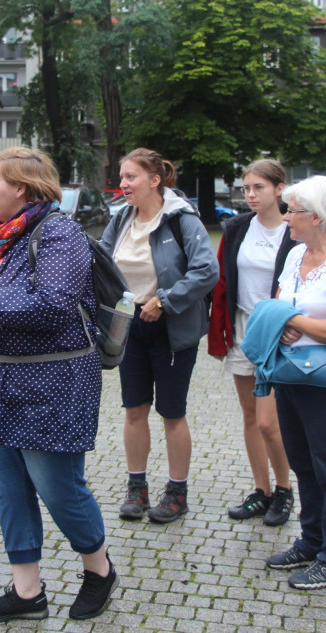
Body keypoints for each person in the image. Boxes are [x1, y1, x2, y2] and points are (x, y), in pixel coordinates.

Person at [0, 147, 117, 623]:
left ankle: (98, 571)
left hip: (49, 386)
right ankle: (27, 592)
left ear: (22, 188)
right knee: (10, 491)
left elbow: (54, 304)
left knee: (60, 490)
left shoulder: (60, 232)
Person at [100, 148, 219, 524]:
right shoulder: (120, 219)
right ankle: (137, 488)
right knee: (134, 409)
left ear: (155, 180)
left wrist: (164, 302)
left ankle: (177, 492)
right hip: (128, 326)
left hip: (171, 327)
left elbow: (206, 270)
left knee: (172, 413)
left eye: (131, 177)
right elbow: (101, 265)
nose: (123, 184)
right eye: (121, 177)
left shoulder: (181, 219)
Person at [263, 175, 326, 590]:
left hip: (324, 380)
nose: (285, 216)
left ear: (318, 217)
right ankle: (311, 541)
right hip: (291, 372)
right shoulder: (294, 255)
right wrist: (281, 322)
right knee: (302, 462)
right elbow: (276, 305)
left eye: (293, 210)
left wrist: (291, 321)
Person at [208, 159, 295, 526]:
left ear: (279, 188)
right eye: (247, 188)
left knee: (269, 423)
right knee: (249, 416)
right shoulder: (238, 227)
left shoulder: (295, 228)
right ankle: (262, 491)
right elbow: (222, 279)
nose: (251, 194)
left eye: (259, 187)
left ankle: (285, 489)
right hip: (243, 329)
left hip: (279, 334)